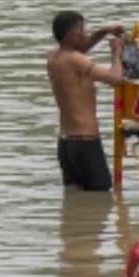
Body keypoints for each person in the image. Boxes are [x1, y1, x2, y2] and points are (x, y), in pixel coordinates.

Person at [45, 12, 126, 192]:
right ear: (72, 35)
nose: (85, 34)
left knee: (76, 199)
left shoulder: (53, 58)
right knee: (100, 195)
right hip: (86, 142)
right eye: (82, 31)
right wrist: (116, 53)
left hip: (66, 145)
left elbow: (82, 48)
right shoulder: (76, 60)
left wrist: (105, 31)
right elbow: (116, 79)